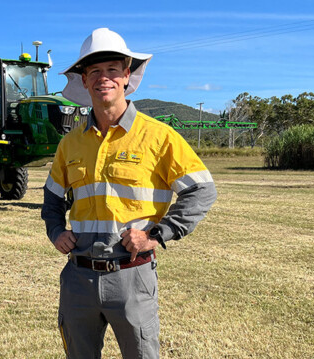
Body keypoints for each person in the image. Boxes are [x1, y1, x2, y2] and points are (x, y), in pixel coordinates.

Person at [41, 28, 217, 358]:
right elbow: (52, 198)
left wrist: (157, 234)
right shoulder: (70, 143)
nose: (102, 78)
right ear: (83, 79)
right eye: (93, 71)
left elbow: (202, 190)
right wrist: (55, 230)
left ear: (126, 75)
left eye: (111, 69)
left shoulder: (159, 137)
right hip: (78, 279)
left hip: (131, 277)